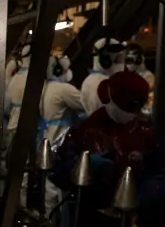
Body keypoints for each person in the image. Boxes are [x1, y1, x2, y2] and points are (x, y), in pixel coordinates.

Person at [52, 71, 156, 210]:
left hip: (134, 212)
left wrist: (142, 197)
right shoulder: (85, 130)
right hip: (90, 211)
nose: (133, 114)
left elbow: (157, 170)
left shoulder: (145, 131)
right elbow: (57, 171)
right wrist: (83, 167)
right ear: (110, 99)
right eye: (128, 108)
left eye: (138, 108)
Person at [37, 55, 84, 144]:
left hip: (45, 136)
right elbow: (85, 104)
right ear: (59, 71)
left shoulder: (44, 87)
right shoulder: (64, 89)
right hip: (60, 139)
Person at [81, 38, 127, 115]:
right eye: (117, 60)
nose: (121, 64)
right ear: (105, 61)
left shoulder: (88, 80)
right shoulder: (105, 84)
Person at [126, 43, 156, 113]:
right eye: (127, 61)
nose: (128, 64)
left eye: (130, 60)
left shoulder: (148, 77)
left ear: (140, 59)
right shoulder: (128, 75)